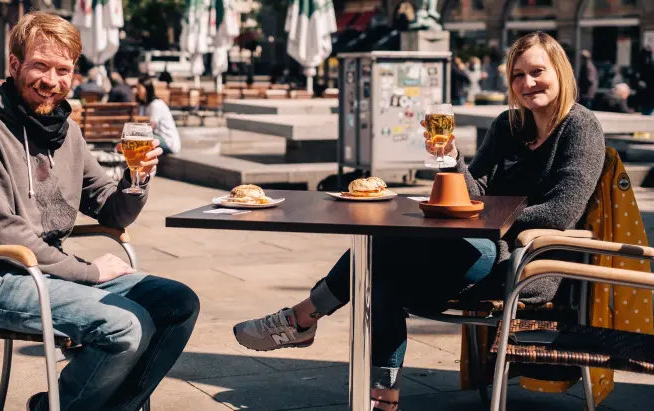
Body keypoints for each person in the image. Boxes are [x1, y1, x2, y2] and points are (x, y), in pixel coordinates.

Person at [232, 32, 606, 410]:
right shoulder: (508, 126)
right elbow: (472, 192)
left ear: (559, 71)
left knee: (382, 257)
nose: (527, 83)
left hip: (528, 263)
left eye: (537, 72)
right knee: (380, 270)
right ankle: (382, 399)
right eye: (517, 75)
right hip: (473, 249)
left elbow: (560, 212)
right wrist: (450, 158)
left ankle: (301, 318)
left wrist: (486, 216)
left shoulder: (580, 128)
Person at [0, 12, 199, 411]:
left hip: (49, 273)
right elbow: (6, 234)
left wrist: (136, 179)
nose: (52, 81)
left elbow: (112, 212)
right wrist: (90, 272)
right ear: (14, 65)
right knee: (125, 326)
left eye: (63, 70)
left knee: (178, 303)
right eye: (40, 66)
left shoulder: (66, 132)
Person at [136, 78, 181, 154]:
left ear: (147, 89)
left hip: (168, 141)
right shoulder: (144, 105)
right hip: (156, 137)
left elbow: (150, 127)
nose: (136, 91)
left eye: (139, 88)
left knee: (138, 139)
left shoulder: (156, 105)